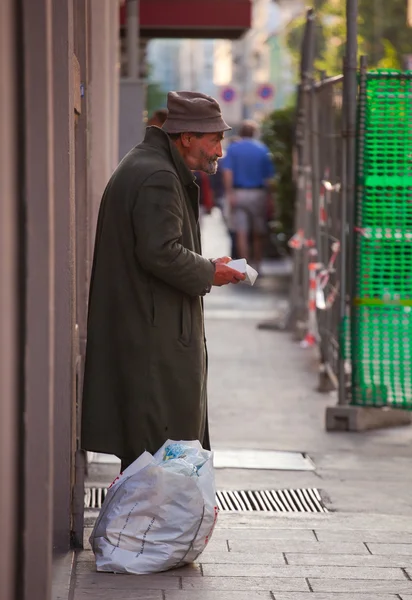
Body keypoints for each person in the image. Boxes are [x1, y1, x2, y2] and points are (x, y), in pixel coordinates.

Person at [81, 91, 245, 473]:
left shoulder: (149, 165)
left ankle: (141, 531)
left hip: (149, 329)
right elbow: (160, 252)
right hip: (153, 339)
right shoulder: (158, 176)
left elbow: (160, 248)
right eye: (214, 139)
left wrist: (206, 264)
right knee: (156, 458)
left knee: (148, 457)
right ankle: (143, 533)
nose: (219, 151)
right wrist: (209, 272)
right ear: (186, 137)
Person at [222, 120, 275, 272]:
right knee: (258, 231)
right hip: (258, 193)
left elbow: (227, 173)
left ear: (240, 133)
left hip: (238, 193)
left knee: (241, 231)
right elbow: (269, 178)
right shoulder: (262, 149)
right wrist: (270, 198)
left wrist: (229, 193)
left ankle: (244, 270)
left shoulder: (233, 149)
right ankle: (257, 264)